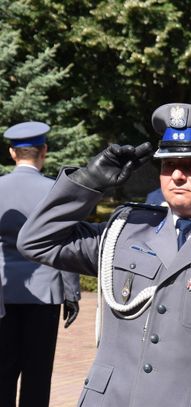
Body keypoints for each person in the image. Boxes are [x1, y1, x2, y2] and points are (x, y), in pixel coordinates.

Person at [17, 104, 191, 407]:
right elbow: (37, 241)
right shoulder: (127, 229)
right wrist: (90, 181)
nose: (177, 175)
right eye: (168, 165)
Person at [0, 121, 80, 407]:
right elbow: (67, 243)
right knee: (38, 373)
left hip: (4, 290)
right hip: (45, 291)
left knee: (2, 371)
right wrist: (72, 292)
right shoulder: (55, 191)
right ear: (44, 151)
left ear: (12, 153)